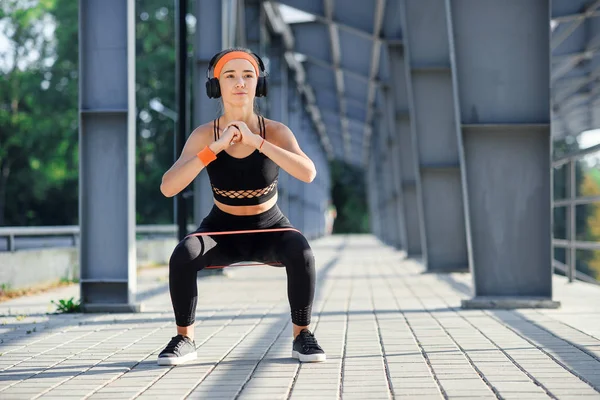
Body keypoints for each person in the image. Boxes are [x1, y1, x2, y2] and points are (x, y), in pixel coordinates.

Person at [156, 48, 326, 366]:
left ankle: (302, 335)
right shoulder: (204, 135)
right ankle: (184, 338)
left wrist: (257, 143)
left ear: (258, 85)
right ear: (215, 86)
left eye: (248, 76)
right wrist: (215, 148)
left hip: (270, 227)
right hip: (222, 228)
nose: (239, 83)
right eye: (230, 76)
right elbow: (169, 187)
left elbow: (308, 172)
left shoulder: (275, 131)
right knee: (184, 253)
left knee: (301, 250)